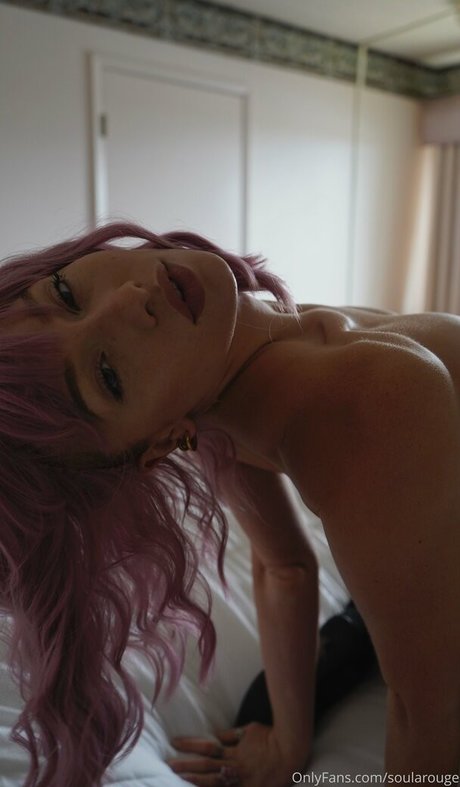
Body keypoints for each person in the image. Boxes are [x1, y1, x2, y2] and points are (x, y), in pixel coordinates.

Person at [0, 221, 458, 786]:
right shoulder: (364, 403)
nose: (129, 299)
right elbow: (428, 713)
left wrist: (288, 742)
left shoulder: (227, 381)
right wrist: (286, 746)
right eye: (109, 376)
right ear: (166, 441)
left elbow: (285, 568)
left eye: (65, 292)